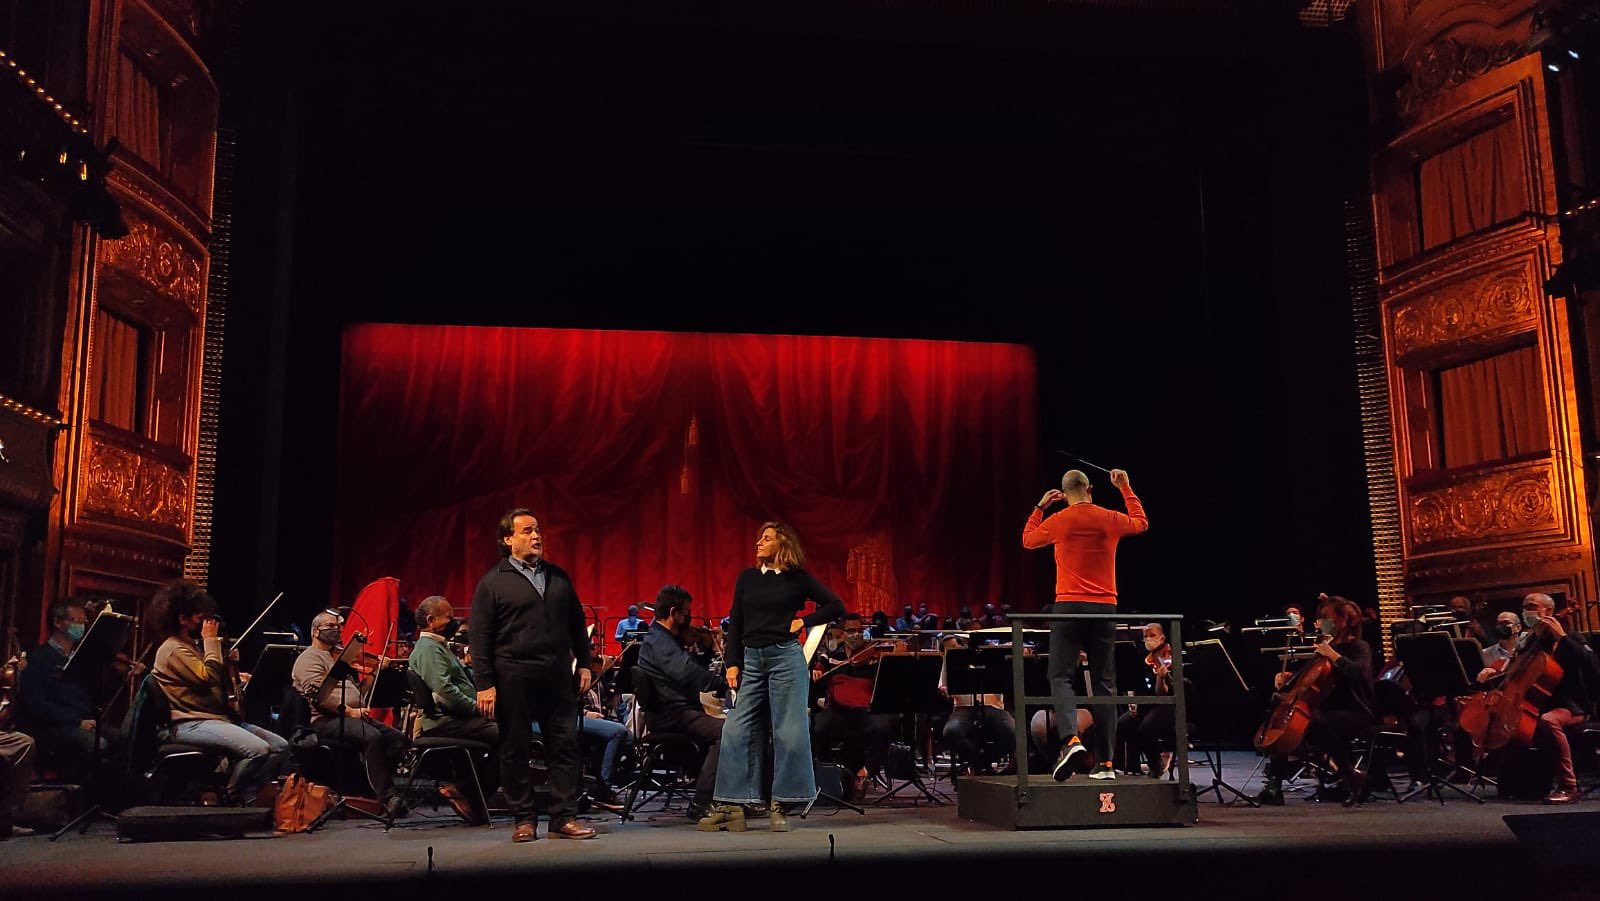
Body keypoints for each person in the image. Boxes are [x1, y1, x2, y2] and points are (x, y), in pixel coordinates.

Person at [700, 522, 845, 833]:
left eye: (766, 538)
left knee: (789, 732)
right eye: (758, 538)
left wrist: (803, 622)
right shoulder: (748, 578)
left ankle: (781, 805)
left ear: (783, 543)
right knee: (736, 731)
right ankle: (733, 804)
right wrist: (733, 663)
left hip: (785, 658)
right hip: (751, 659)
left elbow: (836, 605)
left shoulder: (797, 579)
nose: (758, 543)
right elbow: (736, 620)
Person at [469, 508, 597, 842]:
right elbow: (479, 638)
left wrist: (584, 662)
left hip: (556, 674)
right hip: (513, 674)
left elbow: (576, 623)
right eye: (527, 531)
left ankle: (563, 817)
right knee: (516, 747)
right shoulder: (492, 582)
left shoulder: (558, 577)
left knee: (565, 745)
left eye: (538, 530)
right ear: (508, 539)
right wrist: (485, 684)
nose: (536, 536)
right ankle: (523, 818)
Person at [1024, 467, 1149, 782]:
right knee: (1105, 684)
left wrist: (1040, 508)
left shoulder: (1059, 519)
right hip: (1105, 607)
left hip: (1068, 606)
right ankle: (1106, 764)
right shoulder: (1108, 517)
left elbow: (1027, 541)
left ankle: (1071, 740)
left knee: (1061, 677)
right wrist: (1125, 487)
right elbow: (1141, 522)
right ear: (1090, 488)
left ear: (1064, 495)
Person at [150, 580, 289, 805]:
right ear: (182, 619)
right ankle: (229, 795)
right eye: (199, 617)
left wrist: (229, 665)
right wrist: (211, 643)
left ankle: (250, 793)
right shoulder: (172, 649)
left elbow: (218, 684)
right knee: (258, 750)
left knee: (280, 746)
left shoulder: (192, 646)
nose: (206, 622)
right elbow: (206, 677)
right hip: (191, 723)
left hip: (217, 719)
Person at [1476, 593, 1600, 804]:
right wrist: (1493, 674)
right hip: (1538, 703)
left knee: (1548, 721)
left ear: (1549, 611)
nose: (1527, 612)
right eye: (1525, 607)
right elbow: (1516, 673)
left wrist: (1562, 637)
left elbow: (1592, 667)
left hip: (1571, 707)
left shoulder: (1571, 637)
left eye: (1532, 606)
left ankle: (1569, 786)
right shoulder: (1530, 641)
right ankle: (1518, 781)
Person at [1255, 596, 1375, 806]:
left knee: (1317, 724)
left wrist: (1333, 655)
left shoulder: (1359, 646)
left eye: (1326, 618)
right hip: (1327, 709)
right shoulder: (1325, 647)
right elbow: (1310, 678)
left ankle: (1348, 776)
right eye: (1320, 618)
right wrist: (1288, 679)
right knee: (1293, 723)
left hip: (1356, 710)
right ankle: (1275, 787)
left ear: (1344, 621)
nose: (1321, 623)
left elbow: (1358, 673)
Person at [292, 610, 408, 817]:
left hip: (352, 716)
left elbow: (359, 694)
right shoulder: (308, 659)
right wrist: (350, 711)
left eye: (338, 626)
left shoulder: (339, 658)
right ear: (315, 631)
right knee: (372, 736)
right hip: (326, 719)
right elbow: (319, 698)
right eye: (330, 626)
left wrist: (374, 673)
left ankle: (369, 786)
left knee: (398, 739)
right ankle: (387, 796)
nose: (336, 630)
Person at [636, 585, 727, 823]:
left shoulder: (663, 638)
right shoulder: (660, 641)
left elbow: (687, 670)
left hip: (673, 711)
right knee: (730, 732)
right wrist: (723, 684)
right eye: (686, 613)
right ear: (674, 612)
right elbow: (686, 673)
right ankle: (701, 803)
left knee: (727, 728)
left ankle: (721, 796)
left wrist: (704, 648)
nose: (689, 619)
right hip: (673, 715)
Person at [408, 596, 499, 824]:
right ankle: (466, 791)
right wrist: (480, 710)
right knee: (514, 737)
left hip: (456, 718)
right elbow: (445, 692)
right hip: (444, 721)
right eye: (448, 617)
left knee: (512, 735)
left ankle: (471, 795)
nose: (453, 621)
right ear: (431, 620)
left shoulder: (438, 646)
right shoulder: (429, 649)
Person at [16, 599, 113, 778]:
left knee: (122, 740)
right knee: (97, 745)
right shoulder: (38, 658)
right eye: (76, 621)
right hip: (54, 727)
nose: (82, 626)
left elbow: (90, 697)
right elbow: (37, 706)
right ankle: (80, 799)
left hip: (84, 721)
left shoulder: (81, 658)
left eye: (84, 621)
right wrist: (76, 722)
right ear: (58, 622)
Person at [811, 613, 897, 799]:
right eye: (851, 631)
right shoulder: (832, 657)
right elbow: (819, 667)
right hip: (839, 711)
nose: (856, 635)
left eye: (860, 631)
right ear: (842, 634)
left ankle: (865, 773)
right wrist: (817, 671)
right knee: (818, 726)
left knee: (884, 726)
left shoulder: (873, 655)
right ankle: (829, 775)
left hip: (865, 711)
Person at [1116, 623, 1175, 777]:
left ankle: (1156, 765)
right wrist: (1132, 700)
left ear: (1162, 638)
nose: (1148, 639)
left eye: (1152, 636)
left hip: (1166, 704)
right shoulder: (1144, 657)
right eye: (1145, 636)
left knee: (1146, 728)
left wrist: (1160, 678)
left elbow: (1161, 693)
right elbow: (1134, 680)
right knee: (1122, 724)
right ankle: (1133, 766)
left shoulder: (1167, 656)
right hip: (1146, 703)